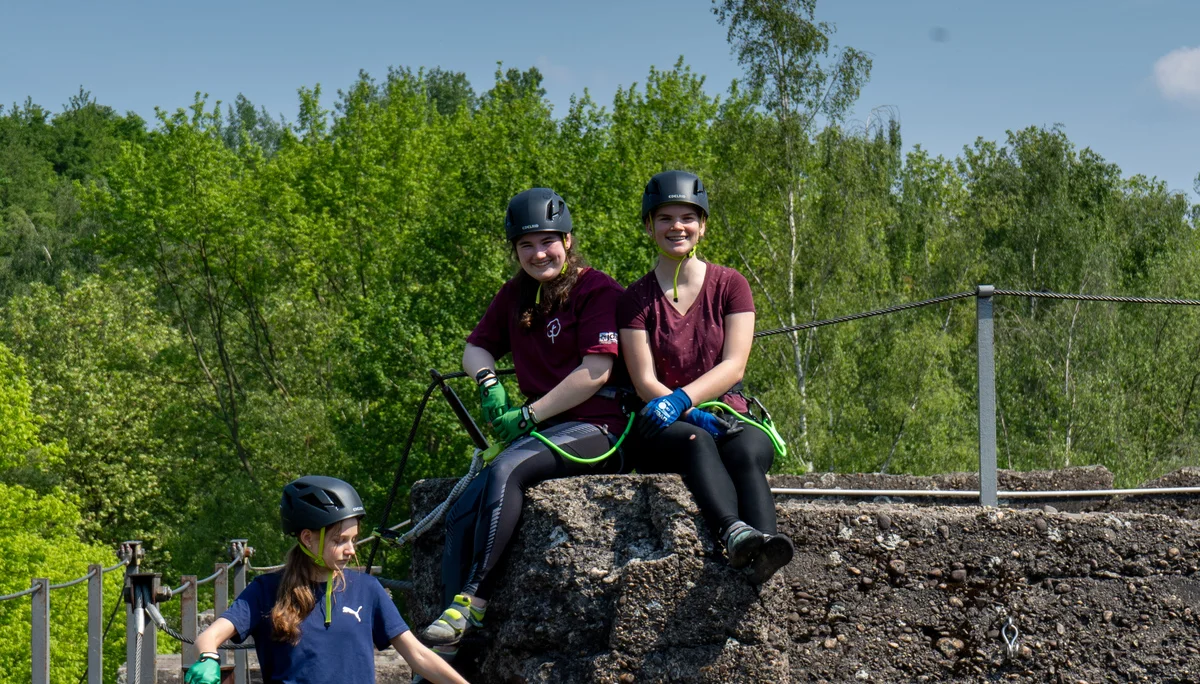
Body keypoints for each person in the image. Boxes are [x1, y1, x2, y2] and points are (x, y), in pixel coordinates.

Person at [418, 188, 627, 660]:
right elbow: (476, 347)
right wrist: (489, 382)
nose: (538, 254)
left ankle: (473, 601)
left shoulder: (599, 291)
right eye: (526, 245)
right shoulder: (517, 294)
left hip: (599, 426)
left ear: (568, 241)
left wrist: (530, 414)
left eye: (548, 241)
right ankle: (453, 647)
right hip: (546, 428)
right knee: (460, 513)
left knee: (507, 469)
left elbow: (596, 372)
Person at [618, 170, 794, 584]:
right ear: (649, 226)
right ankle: (733, 532)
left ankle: (767, 547)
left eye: (687, 218)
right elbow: (644, 381)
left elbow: (734, 365)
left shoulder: (731, 285)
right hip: (661, 420)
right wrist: (679, 409)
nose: (676, 227)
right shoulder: (635, 299)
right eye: (665, 218)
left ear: (702, 226)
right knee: (695, 440)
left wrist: (685, 399)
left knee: (746, 450)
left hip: (726, 410)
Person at [183, 476, 469, 684]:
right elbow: (208, 638)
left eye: (353, 539)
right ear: (308, 538)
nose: (351, 550)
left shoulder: (368, 590)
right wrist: (209, 658)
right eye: (339, 540)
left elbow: (418, 655)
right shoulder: (266, 590)